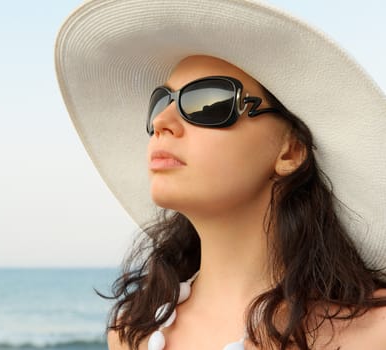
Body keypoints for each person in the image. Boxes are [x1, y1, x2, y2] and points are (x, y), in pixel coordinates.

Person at [54, 0, 386, 349]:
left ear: (291, 151)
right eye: (159, 101)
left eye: (207, 103)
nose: (161, 122)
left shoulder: (374, 332)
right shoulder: (130, 333)